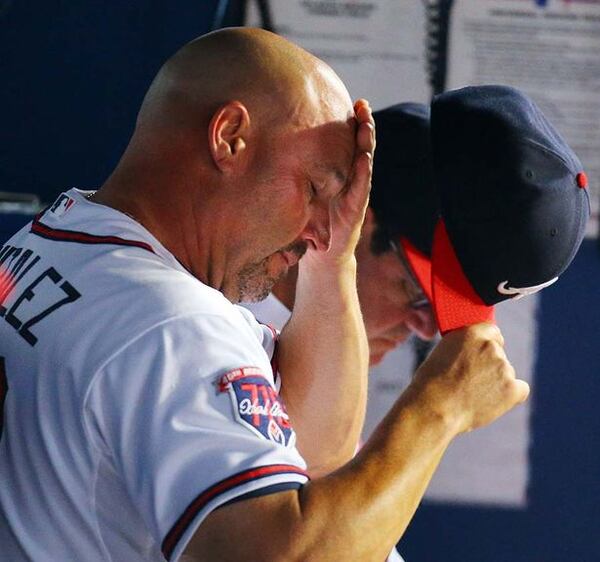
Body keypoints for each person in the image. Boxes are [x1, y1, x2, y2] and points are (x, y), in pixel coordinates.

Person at [0, 28, 528, 561]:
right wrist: (439, 409)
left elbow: (315, 447)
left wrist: (334, 256)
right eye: (315, 187)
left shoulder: (66, 237)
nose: (321, 228)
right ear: (229, 137)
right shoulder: (173, 324)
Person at [245, 102, 439, 366]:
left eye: (442, 309)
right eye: (414, 289)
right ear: (349, 220)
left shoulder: (309, 364)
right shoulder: (211, 327)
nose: (426, 330)